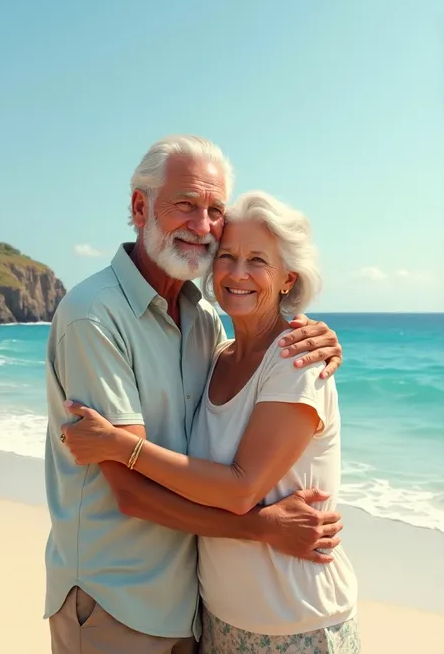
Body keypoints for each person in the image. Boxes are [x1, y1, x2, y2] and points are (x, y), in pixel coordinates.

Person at [45, 135, 345, 654]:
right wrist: (264, 528)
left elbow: (264, 373)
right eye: (185, 204)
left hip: (192, 605)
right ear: (140, 207)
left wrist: (318, 335)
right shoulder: (93, 316)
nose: (202, 227)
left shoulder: (204, 322)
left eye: (213, 210)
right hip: (115, 601)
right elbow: (132, 492)